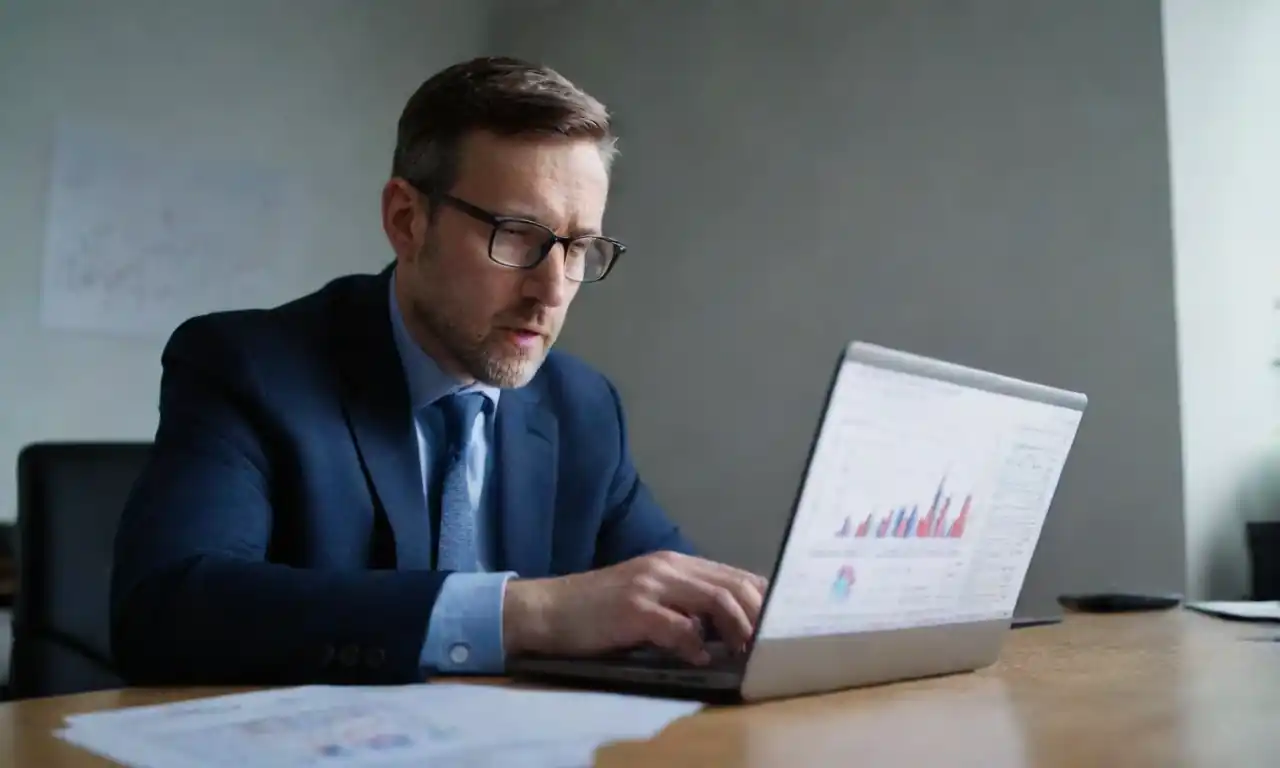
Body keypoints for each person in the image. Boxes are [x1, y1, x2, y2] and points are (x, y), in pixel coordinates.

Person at [109, 56, 767, 686]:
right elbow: (165, 611)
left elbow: (676, 597)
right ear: (406, 221)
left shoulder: (583, 407)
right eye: (517, 234)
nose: (554, 289)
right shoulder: (250, 367)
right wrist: (534, 614)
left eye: (579, 247)